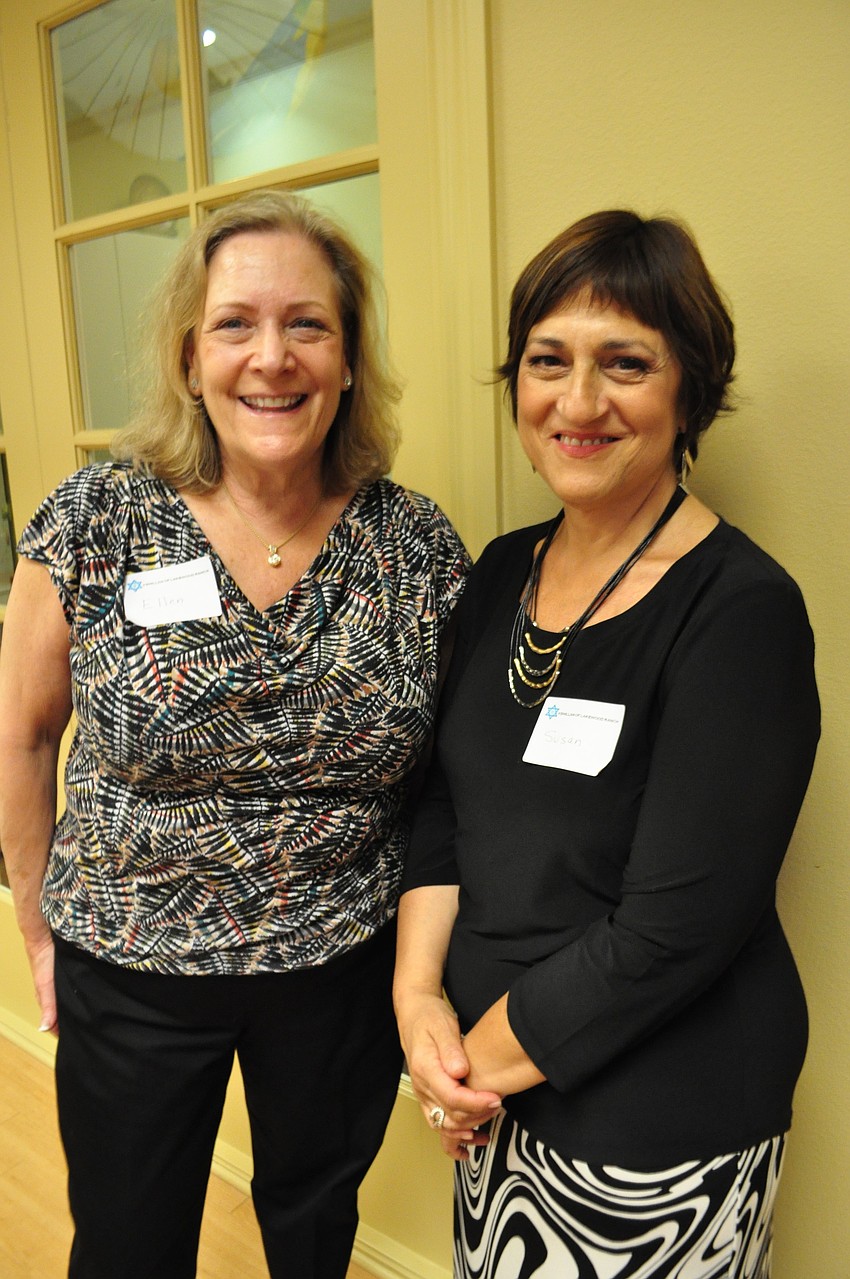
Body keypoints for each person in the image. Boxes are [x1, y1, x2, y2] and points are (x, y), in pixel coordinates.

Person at [0, 189, 469, 1279]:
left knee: (314, 1227)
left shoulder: (415, 546)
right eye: (235, 325)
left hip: (341, 965)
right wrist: (36, 927)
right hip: (132, 960)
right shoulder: (97, 518)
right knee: (128, 1240)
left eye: (308, 324)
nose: (272, 357)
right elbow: (21, 735)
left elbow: (448, 779)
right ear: (189, 356)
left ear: (348, 359)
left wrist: (423, 976)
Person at [394, 210, 819, 1279]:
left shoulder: (740, 611)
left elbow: (678, 927)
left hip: (653, 1122)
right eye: (548, 361)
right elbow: (442, 803)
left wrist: (470, 1064)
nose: (577, 402)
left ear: (690, 388)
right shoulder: (502, 570)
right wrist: (418, 999)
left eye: (624, 363)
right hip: (490, 1091)